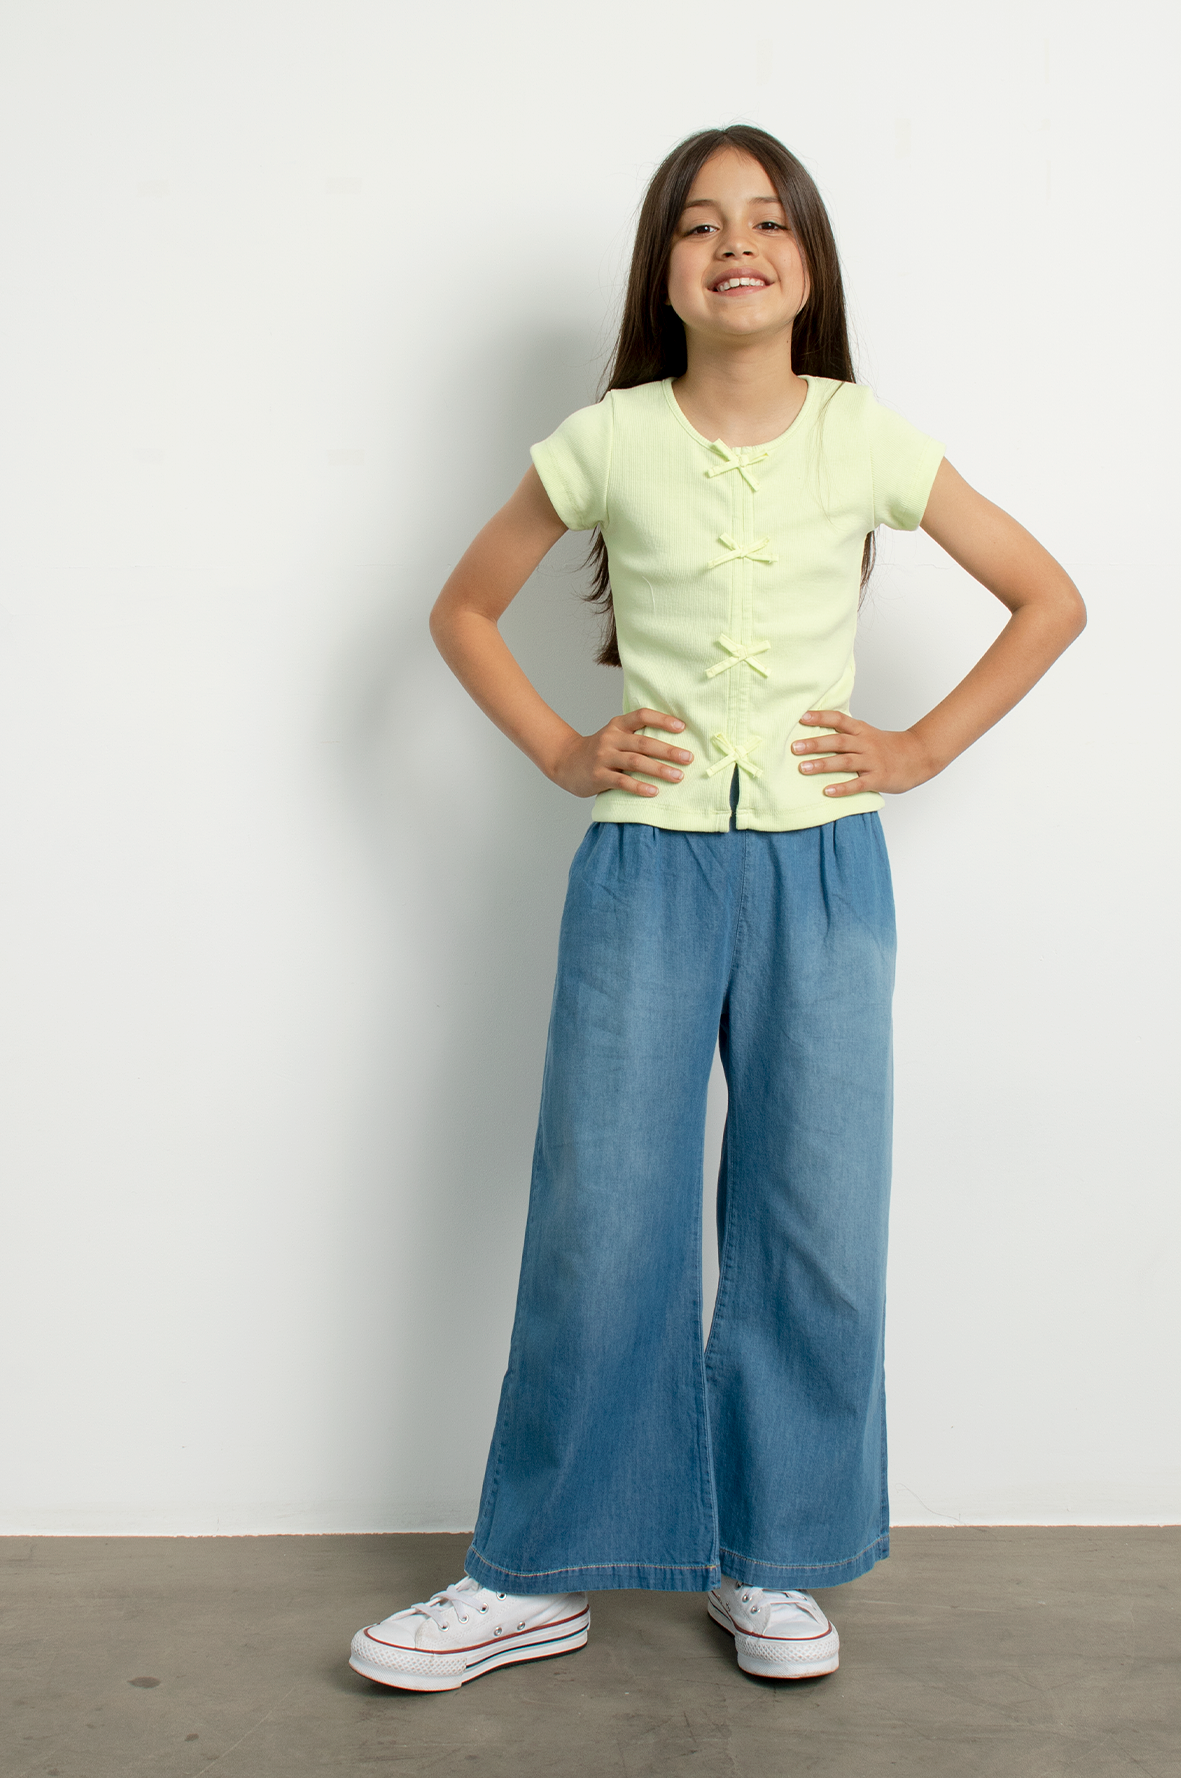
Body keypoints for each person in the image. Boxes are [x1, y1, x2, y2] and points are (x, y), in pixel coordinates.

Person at [348, 123, 1085, 1693]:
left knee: (816, 1217)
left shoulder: (863, 435)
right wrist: (563, 749)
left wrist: (917, 748)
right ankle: (535, 1569)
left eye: (766, 221)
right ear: (663, 272)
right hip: (646, 866)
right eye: (699, 224)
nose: (734, 244)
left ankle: (776, 1553)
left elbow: (1050, 598)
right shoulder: (608, 439)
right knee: (602, 1214)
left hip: (825, 867)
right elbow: (462, 609)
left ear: (809, 265)